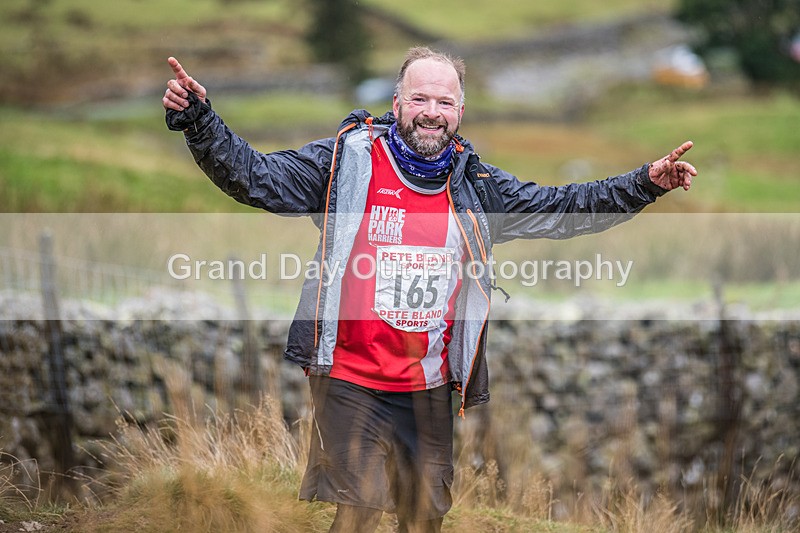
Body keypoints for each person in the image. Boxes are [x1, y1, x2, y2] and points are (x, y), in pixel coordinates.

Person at [163, 47, 696, 532]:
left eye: (444, 101)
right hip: (349, 377)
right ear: (397, 102)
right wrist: (199, 121)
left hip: (429, 387)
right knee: (361, 509)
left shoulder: (478, 187)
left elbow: (565, 209)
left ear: (460, 113)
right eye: (420, 97)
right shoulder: (346, 162)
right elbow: (255, 177)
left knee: (423, 521)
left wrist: (645, 182)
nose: (431, 111)